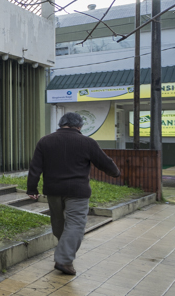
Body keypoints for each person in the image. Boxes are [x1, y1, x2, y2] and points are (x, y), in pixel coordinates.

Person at [27, 112, 121, 275]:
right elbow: (105, 163)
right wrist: (115, 173)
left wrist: (32, 188)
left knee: (58, 222)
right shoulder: (87, 142)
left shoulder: (45, 141)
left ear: (61, 124)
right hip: (77, 191)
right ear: (79, 126)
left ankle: (64, 255)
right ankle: (64, 260)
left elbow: (35, 167)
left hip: (53, 190)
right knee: (76, 224)